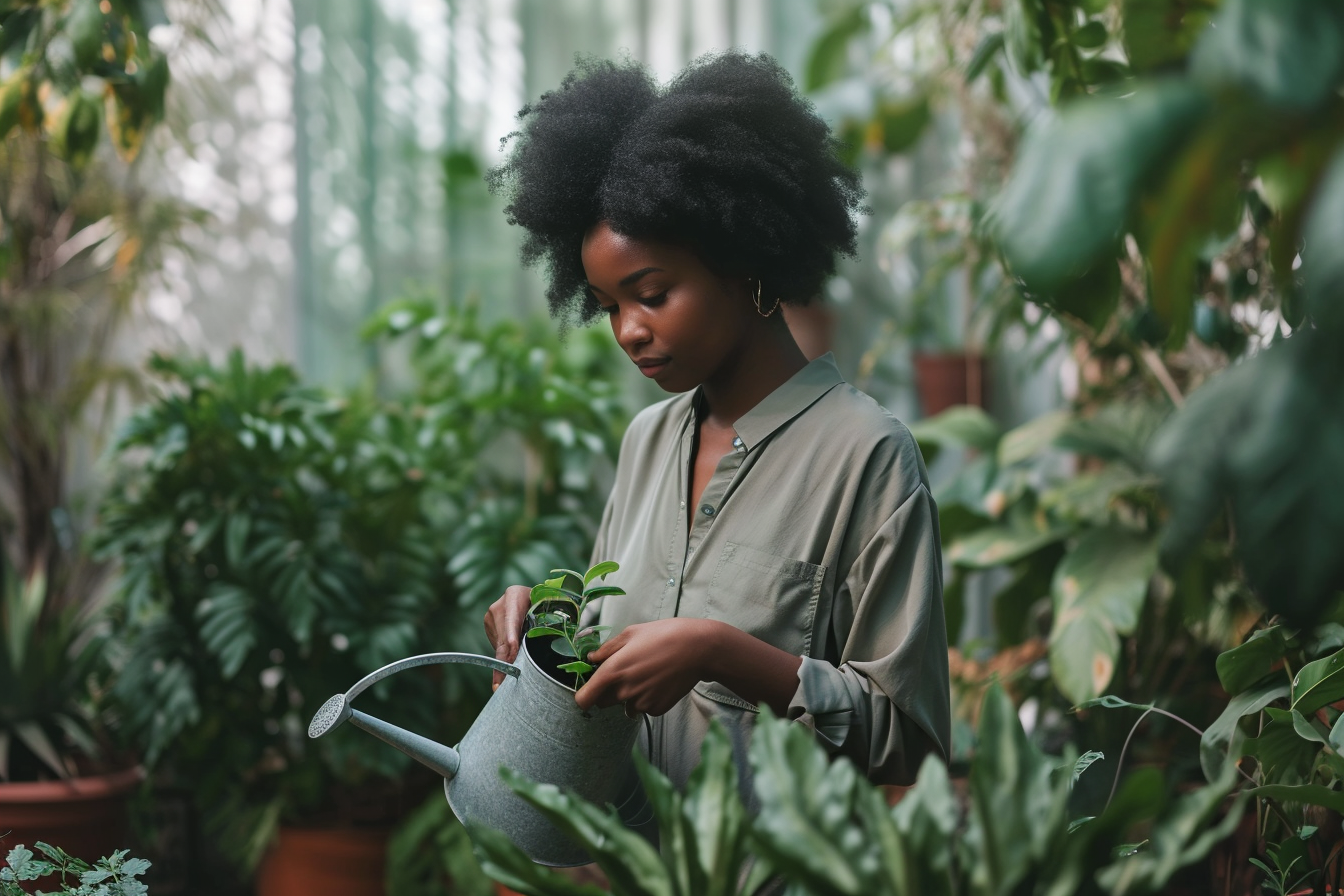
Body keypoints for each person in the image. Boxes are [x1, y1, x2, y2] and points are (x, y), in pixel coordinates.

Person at [481, 51, 950, 810]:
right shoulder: (646, 442)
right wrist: (550, 625)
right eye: (607, 306)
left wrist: (721, 652)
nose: (629, 331)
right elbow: (606, 670)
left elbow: (909, 738)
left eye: (653, 294)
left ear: (744, 262)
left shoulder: (867, 455)